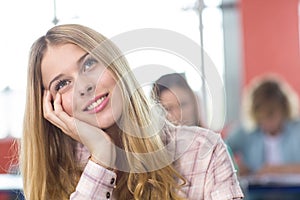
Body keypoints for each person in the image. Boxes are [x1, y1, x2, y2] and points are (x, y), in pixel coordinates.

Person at [20, 24, 243, 199]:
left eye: (89, 64)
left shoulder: (202, 151)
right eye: (62, 84)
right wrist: (101, 159)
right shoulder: (54, 175)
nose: (85, 86)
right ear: (48, 106)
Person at [226, 75, 300, 176]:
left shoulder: (297, 130)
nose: (266, 121)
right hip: (256, 192)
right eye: (261, 116)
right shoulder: (246, 132)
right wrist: (235, 168)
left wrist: (277, 170)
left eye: (271, 114)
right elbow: (222, 149)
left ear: (283, 109)